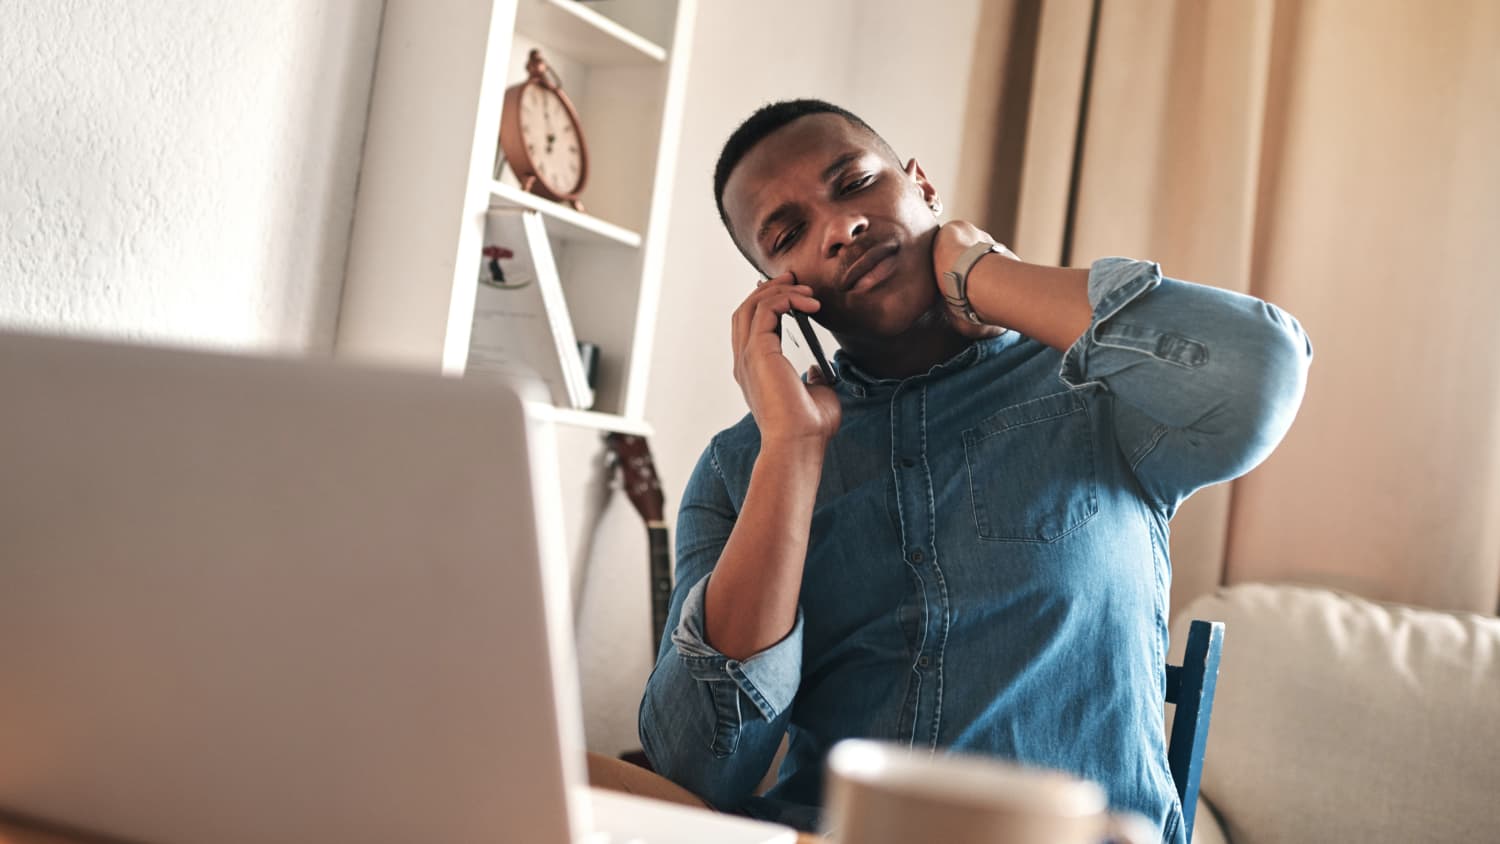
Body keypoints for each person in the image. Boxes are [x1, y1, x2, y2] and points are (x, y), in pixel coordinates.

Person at [628, 98, 1312, 843]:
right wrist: (790, 449)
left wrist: (983, 276)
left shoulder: (1103, 390)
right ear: (775, 289)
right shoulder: (739, 467)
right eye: (789, 233)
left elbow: (1261, 369)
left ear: (922, 186)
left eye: (855, 183)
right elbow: (694, 765)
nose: (839, 227)